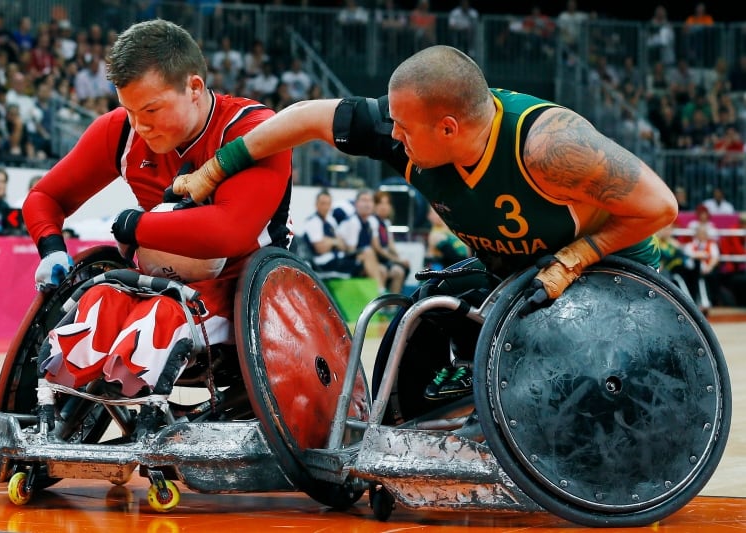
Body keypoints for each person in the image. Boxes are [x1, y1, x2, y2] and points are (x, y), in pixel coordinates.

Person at [172, 45, 678, 401]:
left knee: (534, 353)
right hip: (520, 276)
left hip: (612, 283)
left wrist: (578, 256)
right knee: (419, 316)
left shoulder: (550, 146)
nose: (393, 134)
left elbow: (659, 206)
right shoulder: (413, 130)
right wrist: (216, 168)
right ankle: (397, 435)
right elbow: (306, 117)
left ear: (448, 127)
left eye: (403, 126)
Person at [23, 19, 293, 436]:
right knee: (96, 306)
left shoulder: (253, 129)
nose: (140, 126)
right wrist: (52, 247)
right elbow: (45, 197)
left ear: (195, 88)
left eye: (151, 110)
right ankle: (53, 420)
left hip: (242, 287)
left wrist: (136, 227)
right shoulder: (120, 132)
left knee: (161, 318)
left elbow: (229, 233)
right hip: (159, 277)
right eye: (129, 110)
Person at [336, 189, 390, 293]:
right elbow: (351, 251)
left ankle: (385, 305)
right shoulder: (353, 222)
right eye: (364, 200)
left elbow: (376, 246)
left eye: (370, 201)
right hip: (343, 258)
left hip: (361, 256)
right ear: (356, 204)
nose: (367, 204)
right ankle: (381, 291)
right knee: (368, 252)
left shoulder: (372, 222)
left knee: (382, 270)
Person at [372, 190, 410, 294]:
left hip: (385, 259)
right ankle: (380, 305)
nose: (384, 206)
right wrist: (396, 260)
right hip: (375, 260)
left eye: (387, 203)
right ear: (374, 205)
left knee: (399, 271)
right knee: (382, 271)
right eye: (380, 203)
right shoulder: (372, 221)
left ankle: (392, 307)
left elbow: (390, 244)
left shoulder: (386, 222)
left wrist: (399, 258)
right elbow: (378, 248)